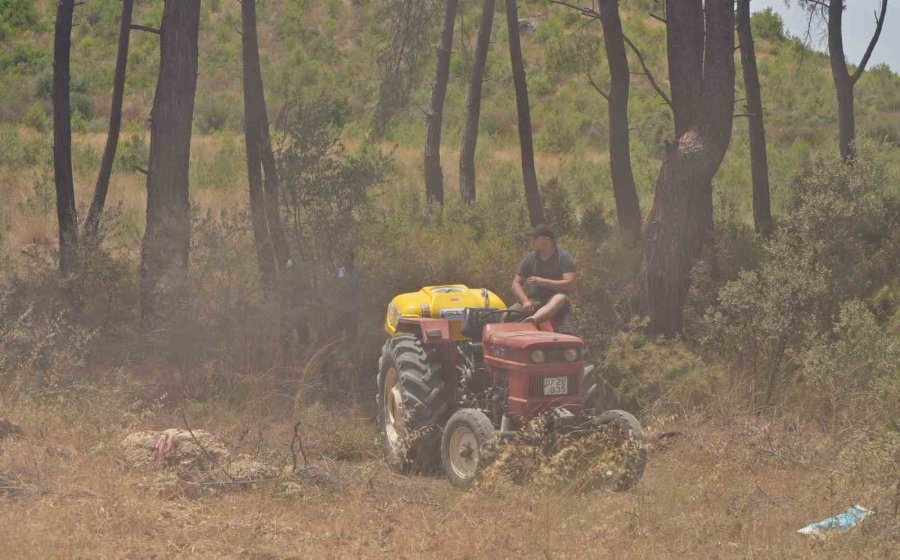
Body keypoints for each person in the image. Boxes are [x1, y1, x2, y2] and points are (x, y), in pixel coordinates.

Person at [510, 224, 576, 330]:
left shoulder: (563, 257)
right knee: (508, 314)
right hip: (534, 302)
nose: (532, 241)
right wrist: (525, 301)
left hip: (555, 301)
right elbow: (516, 283)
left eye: (535, 238)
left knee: (559, 298)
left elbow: (570, 284)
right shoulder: (531, 258)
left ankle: (533, 320)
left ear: (547, 239)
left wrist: (543, 282)